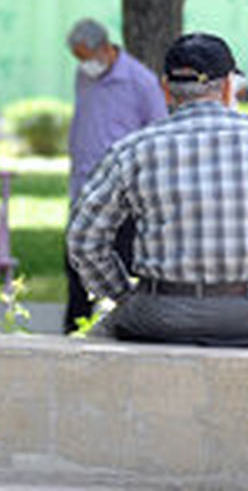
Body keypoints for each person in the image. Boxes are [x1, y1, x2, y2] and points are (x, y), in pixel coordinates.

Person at [68, 33, 248, 347]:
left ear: (165, 89)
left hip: (160, 314)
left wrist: (122, 294)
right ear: (229, 86)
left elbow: (83, 238)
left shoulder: (133, 149)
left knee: (101, 334)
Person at [63, 17, 167, 332]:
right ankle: (74, 332)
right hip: (84, 187)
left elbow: (158, 133)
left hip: (122, 195)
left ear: (105, 48)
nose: (84, 64)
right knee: (75, 265)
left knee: (118, 263)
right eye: (78, 59)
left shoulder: (140, 81)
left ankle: (124, 328)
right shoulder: (85, 76)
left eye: (86, 57)